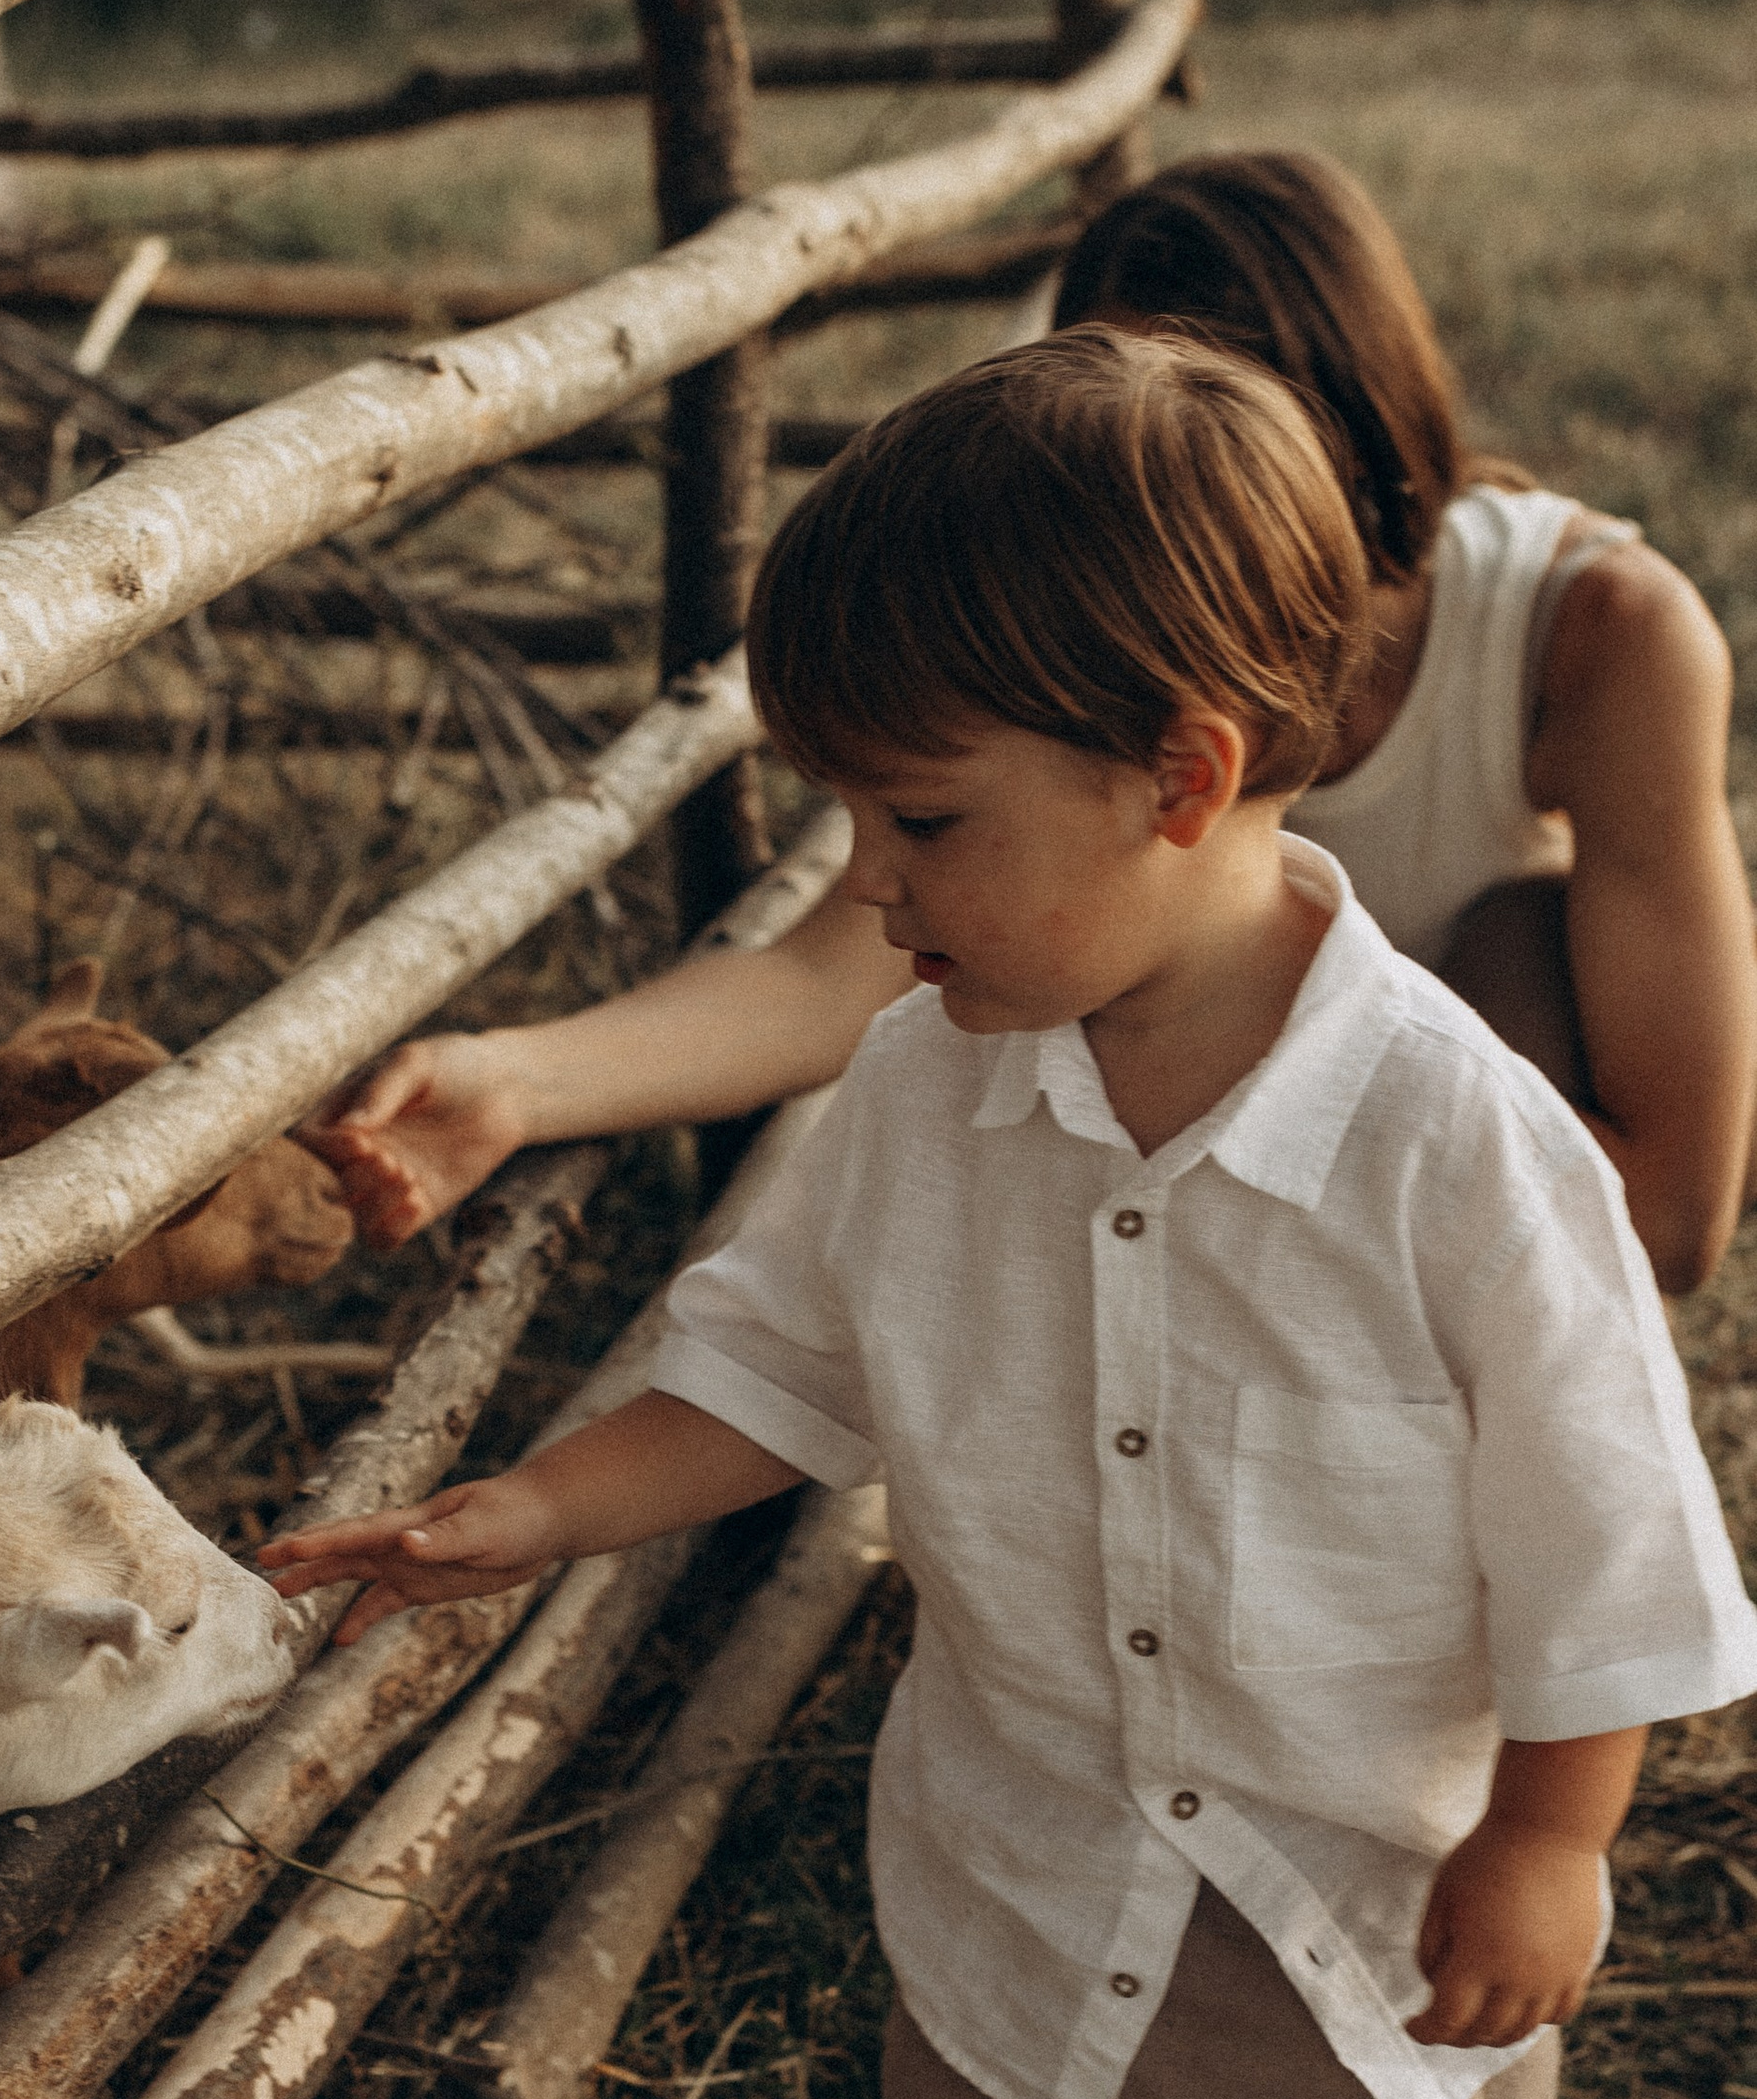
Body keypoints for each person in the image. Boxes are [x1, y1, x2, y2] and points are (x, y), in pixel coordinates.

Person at [264, 330, 1757, 2099]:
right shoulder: (935, 1080)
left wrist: (1547, 1837)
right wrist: (540, 1506)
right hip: (1016, 1828)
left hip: (1333, 1894)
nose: (875, 891)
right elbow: (786, 1368)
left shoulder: (1452, 1150)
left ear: (1175, 779)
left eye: (921, 821)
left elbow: (1608, 1534)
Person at [318, 151, 1755, 1295]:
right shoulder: (1073, 641)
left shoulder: (1603, 636)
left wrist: (1275, 1222)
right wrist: (515, 1083)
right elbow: (827, 979)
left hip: (1433, 1198)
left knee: (1517, 924)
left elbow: (1678, 1215)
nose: (1155, 516)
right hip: (1159, 1161)